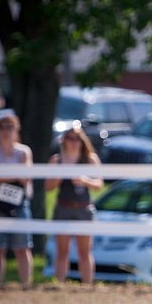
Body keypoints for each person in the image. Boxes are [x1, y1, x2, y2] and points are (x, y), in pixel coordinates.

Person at [45, 120, 104, 284]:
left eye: (76, 138)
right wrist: (60, 175)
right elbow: (48, 187)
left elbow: (99, 184)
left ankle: (87, 285)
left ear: (82, 140)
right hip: (63, 207)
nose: (73, 141)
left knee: (84, 252)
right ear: (63, 140)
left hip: (83, 208)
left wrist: (85, 181)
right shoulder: (56, 160)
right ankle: (60, 284)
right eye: (69, 138)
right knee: (62, 251)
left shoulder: (90, 159)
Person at [0, 114, 33, 287]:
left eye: (10, 127)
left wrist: (4, 175)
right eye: (2, 127)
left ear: (16, 129)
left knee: (22, 247)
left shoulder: (24, 151)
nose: (6, 131)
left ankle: (25, 284)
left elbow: (26, 177)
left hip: (19, 204)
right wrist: (16, 174)